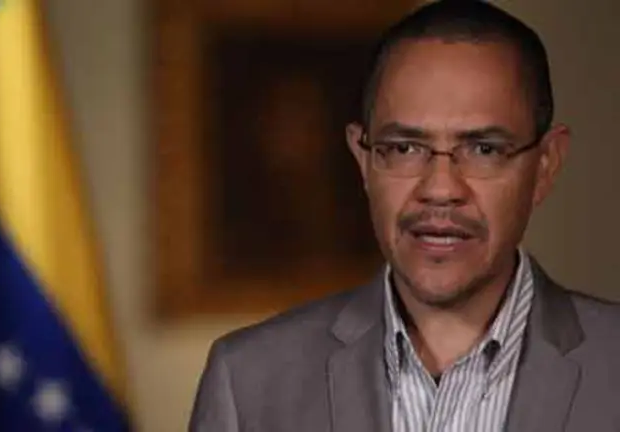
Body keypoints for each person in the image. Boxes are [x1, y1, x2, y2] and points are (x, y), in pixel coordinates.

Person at [188, 1, 620, 431]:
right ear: (363, 160)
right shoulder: (247, 383)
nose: (440, 189)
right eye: (404, 148)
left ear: (545, 165)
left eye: (484, 149)